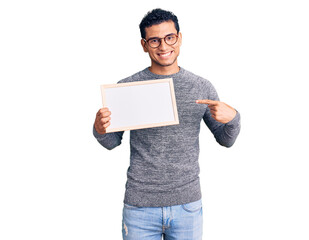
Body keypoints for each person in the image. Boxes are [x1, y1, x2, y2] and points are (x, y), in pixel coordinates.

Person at [93, 8, 241, 240]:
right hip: (139, 206)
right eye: (154, 40)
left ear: (179, 38)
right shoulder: (127, 88)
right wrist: (100, 129)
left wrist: (233, 118)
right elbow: (111, 142)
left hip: (187, 205)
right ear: (144, 44)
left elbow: (226, 140)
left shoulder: (200, 86)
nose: (163, 46)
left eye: (169, 37)